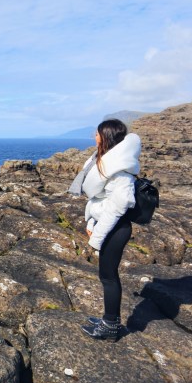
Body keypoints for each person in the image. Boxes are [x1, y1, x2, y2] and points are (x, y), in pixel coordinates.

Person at [68, 118, 141, 340]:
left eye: (98, 133)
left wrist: (97, 235)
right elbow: (99, 200)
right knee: (106, 275)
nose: (94, 136)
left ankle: (110, 326)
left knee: (109, 277)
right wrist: (92, 223)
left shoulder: (121, 169)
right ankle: (109, 320)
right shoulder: (106, 161)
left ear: (106, 137)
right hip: (108, 226)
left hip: (116, 229)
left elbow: (119, 204)